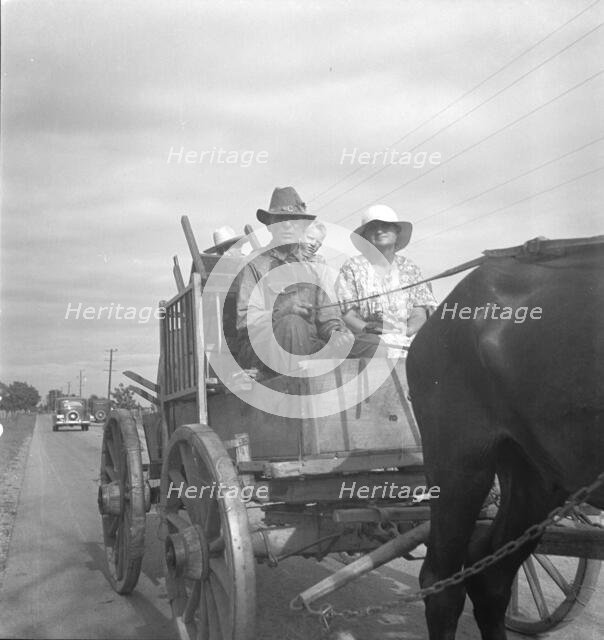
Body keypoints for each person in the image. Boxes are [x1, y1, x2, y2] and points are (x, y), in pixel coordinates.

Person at [236, 187, 354, 375]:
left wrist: (336, 332)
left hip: (309, 345)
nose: (288, 226)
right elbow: (246, 322)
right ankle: (297, 396)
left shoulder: (313, 266)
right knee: (293, 324)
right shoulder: (254, 264)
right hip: (266, 349)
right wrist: (284, 311)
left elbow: (328, 315)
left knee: (369, 345)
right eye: (280, 221)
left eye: (294, 221)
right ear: (269, 225)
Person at [336, 204, 437, 352]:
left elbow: (419, 311)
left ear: (396, 232)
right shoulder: (352, 267)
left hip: (408, 339)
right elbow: (348, 316)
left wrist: (409, 330)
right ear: (365, 237)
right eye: (373, 227)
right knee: (377, 348)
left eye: (386, 225)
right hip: (368, 340)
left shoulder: (410, 268)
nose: (379, 230)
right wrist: (371, 329)